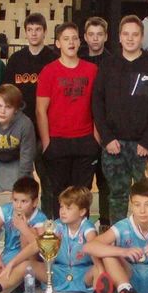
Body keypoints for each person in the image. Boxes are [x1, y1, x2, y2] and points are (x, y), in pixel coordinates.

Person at [93, 16, 148, 222]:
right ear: (119, 37)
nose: (130, 38)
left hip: (144, 147)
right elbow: (97, 103)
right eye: (126, 34)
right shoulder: (108, 65)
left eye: (135, 34)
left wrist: (147, 141)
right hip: (114, 146)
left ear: (142, 37)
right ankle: (119, 236)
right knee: (117, 196)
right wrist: (107, 138)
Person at [36, 21, 99, 206]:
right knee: (59, 195)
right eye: (66, 39)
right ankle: (60, 226)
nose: (71, 42)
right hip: (57, 141)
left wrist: (96, 140)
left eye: (74, 38)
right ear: (58, 43)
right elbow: (40, 110)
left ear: (79, 42)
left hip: (85, 140)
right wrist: (47, 143)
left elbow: (98, 108)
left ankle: (82, 226)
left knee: (82, 195)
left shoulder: (92, 70)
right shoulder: (49, 71)